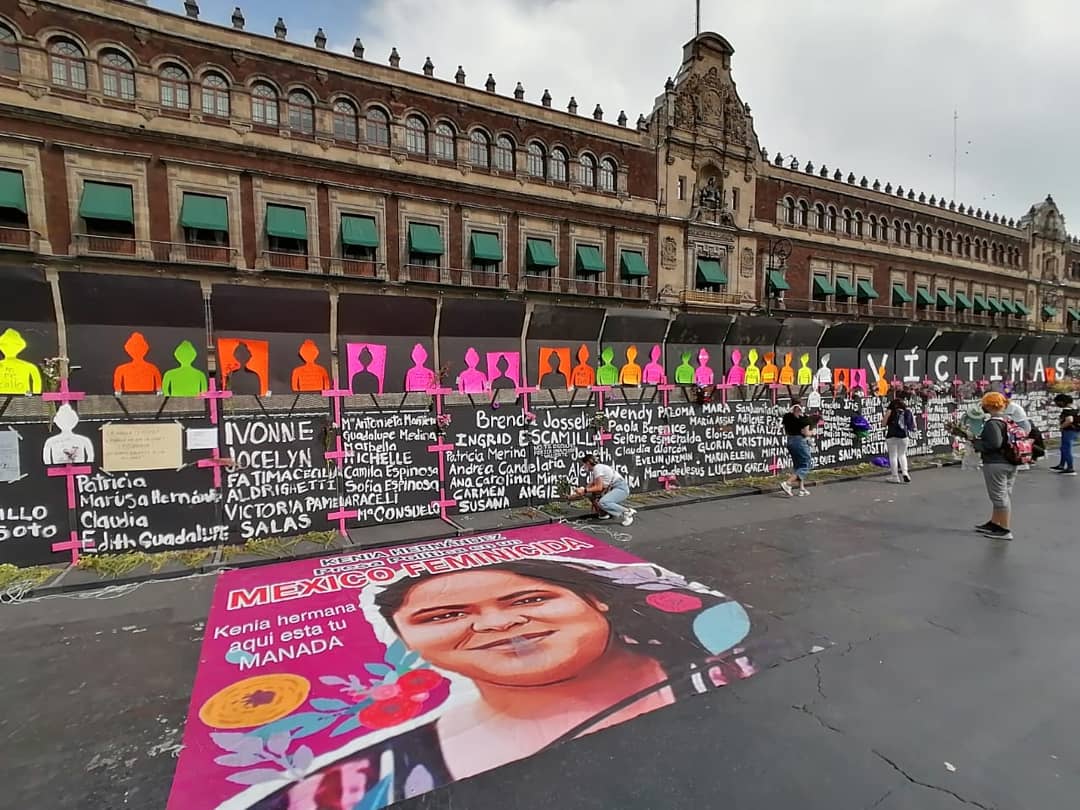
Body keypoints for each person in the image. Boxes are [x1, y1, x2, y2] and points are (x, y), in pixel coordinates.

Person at [251, 558, 753, 809]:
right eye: (444, 615)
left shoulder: (741, 663)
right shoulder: (339, 787)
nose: (495, 625)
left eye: (528, 601)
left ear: (596, 600)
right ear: (405, 639)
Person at [972, 392, 1016, 540]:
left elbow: (994, 444)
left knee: (999, 497)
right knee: (1004, 494)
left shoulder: (992, 423)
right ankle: (995, 523)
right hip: (1011, 461)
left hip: (996, 462)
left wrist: (977, 443)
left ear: (988, 406)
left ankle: (1004, 529)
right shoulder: (1007, 420)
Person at [574, 453, 635, 526]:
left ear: (587, 463)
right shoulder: (595, 472)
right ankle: (604, 514)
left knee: (603, 502)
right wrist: (571, 496)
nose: (584, 467)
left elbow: (598, 487)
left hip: (621, 488)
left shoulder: (597, 468)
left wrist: (584, 490)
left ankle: (627, 512)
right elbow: (588, 488)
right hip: (613, 489)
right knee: (592, 495)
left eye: (584, 465)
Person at [780, 402, 814, 497]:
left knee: (798, 465)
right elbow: (806, 432)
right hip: (800, 441)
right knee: (806, 464)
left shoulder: (787, 417)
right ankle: (787, 483)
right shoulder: (804, 420)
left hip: (790, 440)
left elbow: (784, 428)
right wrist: (812, 432)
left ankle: (801, 488)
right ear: (800, 408)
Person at [882, 396, 916, 484]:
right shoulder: (907, 411)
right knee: (902, 455)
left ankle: (895, 476)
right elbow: (913, 425)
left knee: (893, 456)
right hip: (904, 436)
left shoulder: (890, 411)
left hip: (892, 435)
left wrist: (888, 414)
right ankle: (905, 473)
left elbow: (883, 424)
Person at [1002, 392, 1034, 470]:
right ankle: (1025, 460)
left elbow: (1005, 416)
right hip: (1021, 424)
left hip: (1022, 425)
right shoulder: (1011, 405)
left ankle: (1023, 462)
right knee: (1021, 444)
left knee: (1020, 444)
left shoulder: (1011, 406)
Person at [1051, 393, 1077, 475]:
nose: (1057, 404)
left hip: (1069, 430)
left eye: (1057, 402)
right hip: (1073, 430)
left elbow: (1069, 420)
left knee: (1066, 448)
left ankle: (1070, 468)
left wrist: (1061, 426)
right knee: (1063, 448)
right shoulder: (1075, 408)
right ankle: (1061, 465)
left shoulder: (1067, 410)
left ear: (1062, 402)